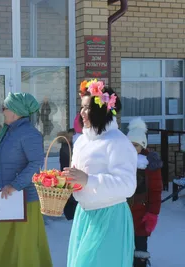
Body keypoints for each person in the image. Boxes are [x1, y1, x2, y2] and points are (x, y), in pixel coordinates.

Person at [62, 79, 137, 267]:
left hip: (110, 217)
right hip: (84, 215)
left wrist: (89, 180)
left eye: (87, 108)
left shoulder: (117, 142)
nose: (82, 113)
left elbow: (128, 185)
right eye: (81, 107)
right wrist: (67, 181)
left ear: (101, 110)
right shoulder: (81, 141)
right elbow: (80, 177)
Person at [0, 92, 53, 267]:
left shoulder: (29, 133)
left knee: (25, 243)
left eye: (5, 108)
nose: (2, 111)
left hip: (26, 199)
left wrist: (15, 185)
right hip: (10, 196)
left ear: (16, 111)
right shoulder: (8, 132)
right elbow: (3, 160)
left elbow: (36, 164)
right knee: (5, 240)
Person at [126, 117, 163, 267]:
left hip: (142, 213)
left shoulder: (149, 166)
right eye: (129, 145)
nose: (132, 148)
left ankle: (140, 262)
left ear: (142, 146)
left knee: (140, 242)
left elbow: (155, 190)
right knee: (125, 242)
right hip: (125, 211)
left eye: (136, 145)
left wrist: (153, 213)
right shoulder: (122, 161)